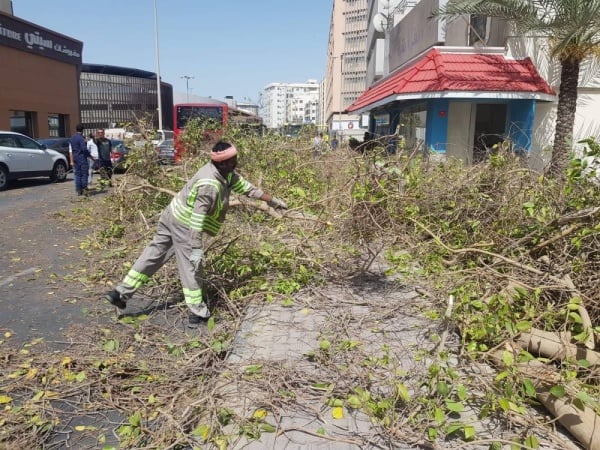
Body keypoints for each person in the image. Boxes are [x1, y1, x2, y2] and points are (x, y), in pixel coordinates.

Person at [104, 141, 288, 328]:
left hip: (172, 213)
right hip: (185, 223)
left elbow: (248, 188)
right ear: (224, 163)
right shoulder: (209, 184)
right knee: (192, 266)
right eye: (234, 159)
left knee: (154, 254)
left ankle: (120, 293)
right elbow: (196, 220)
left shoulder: (225, 173)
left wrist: (272, 201)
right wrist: (196, 248)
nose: (237, 162)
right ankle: (198, 313)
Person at [71, 124, 90, 196]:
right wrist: (89, 155)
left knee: (78, 174)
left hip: (75, 157)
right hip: (82, 158)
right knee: (84, 174)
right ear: (82, 130)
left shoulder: (73, 138)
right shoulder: (81, 138)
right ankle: (85, 188)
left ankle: (79, 190)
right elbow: (84, 149)